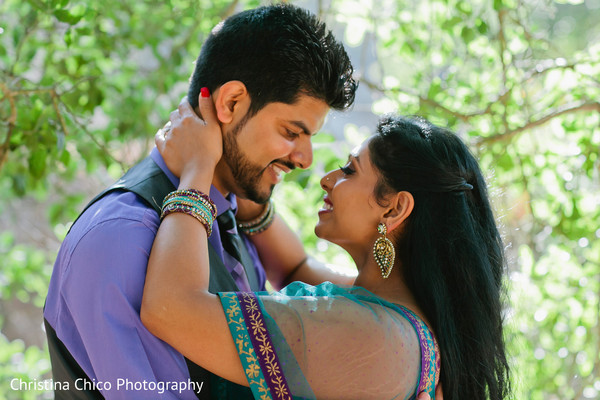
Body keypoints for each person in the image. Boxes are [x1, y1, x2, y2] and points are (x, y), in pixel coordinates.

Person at [43, 4, 359, 399]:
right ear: (230, 103)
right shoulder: (123, 236)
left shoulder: (233, 218)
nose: (306, 159)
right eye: (292, 132)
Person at [141, 93, 511, 399]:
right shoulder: (402, 323)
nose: (327, 179)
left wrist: (197, 169)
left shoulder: (371, 335)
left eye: (350, 170)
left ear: (395, 207)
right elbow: (295, 268)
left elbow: (169, 310)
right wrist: (247, 176)